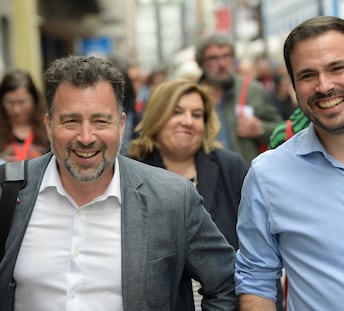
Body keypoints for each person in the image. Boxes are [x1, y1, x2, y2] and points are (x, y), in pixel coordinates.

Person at [0, 55, 237, 311]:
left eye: (101, 121)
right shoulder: (9, 191)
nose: (86, 137)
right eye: (71, 121)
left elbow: (227, 284)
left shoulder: (172, 199)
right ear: (48, 125)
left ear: (122, 125)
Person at [235, 16, 344, 310]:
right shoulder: (267, 176)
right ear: (293, 86)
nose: (324, 86)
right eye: (307, 75)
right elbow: (256, 280)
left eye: (337, 68)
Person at [129, 78, 248, 250]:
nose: (188, 121)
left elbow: (257, 242)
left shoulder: (230, 167)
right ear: (157, 116)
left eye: (197, 115)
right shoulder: (131, 170)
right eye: (176, 112)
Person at [195, 33, 282, 165]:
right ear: (201, 63)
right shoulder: (192, 96)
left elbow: (281, 130)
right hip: (204, 175)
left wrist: (260, 129)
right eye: (213, 58)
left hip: (245, 175)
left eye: (226, 56)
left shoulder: (252, 90)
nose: (222, 64)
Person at [0, 69, 49, 162]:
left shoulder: (47, 126)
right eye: (10, 102)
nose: (16, 110)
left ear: (34, 100)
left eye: (22, 102)